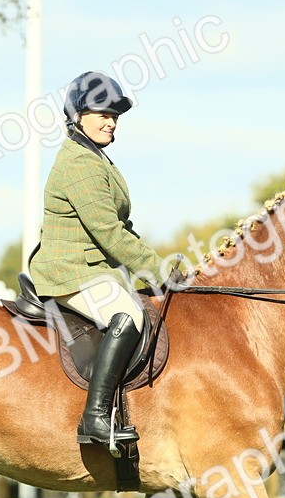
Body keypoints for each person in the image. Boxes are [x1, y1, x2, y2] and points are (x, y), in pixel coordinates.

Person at [29, 71, 184, 447]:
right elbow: (109, 234)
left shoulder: (98, 160)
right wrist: (157, 269)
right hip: (69, 272)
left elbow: (123, 228)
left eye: (115, 115)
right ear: (77, 115)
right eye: (102, 113)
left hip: (92, 271)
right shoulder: (80, 164)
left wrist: (163, 268)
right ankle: (95, 418)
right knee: (128, 315)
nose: (111, 121)